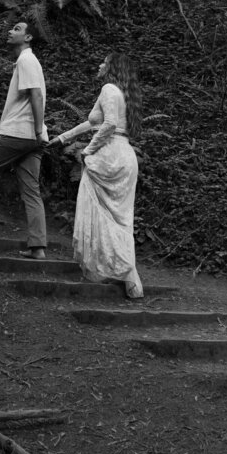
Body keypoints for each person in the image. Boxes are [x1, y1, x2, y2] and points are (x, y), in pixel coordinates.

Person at [55, 51, 143, 299]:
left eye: (104, 62)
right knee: (122, 220)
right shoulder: (124, 94)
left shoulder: (108, 89)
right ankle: (131, 279)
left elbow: (109, 124)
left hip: (108, 155)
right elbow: (93, 122)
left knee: (100, 213)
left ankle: (115, 269)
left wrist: (87, 151)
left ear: (112, 68)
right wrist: (64, 138)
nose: (99, 64)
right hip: (126, 156)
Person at [0, 13, 49, 260]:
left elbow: (35, 95)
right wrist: (38, 134)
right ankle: (38, 248)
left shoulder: (26, 59)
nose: (10, 31)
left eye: (16, 28)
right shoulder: (27, 61)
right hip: (33, 137)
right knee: (31, 191)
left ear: (27, 37)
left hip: (19, 132)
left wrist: (35, 130)